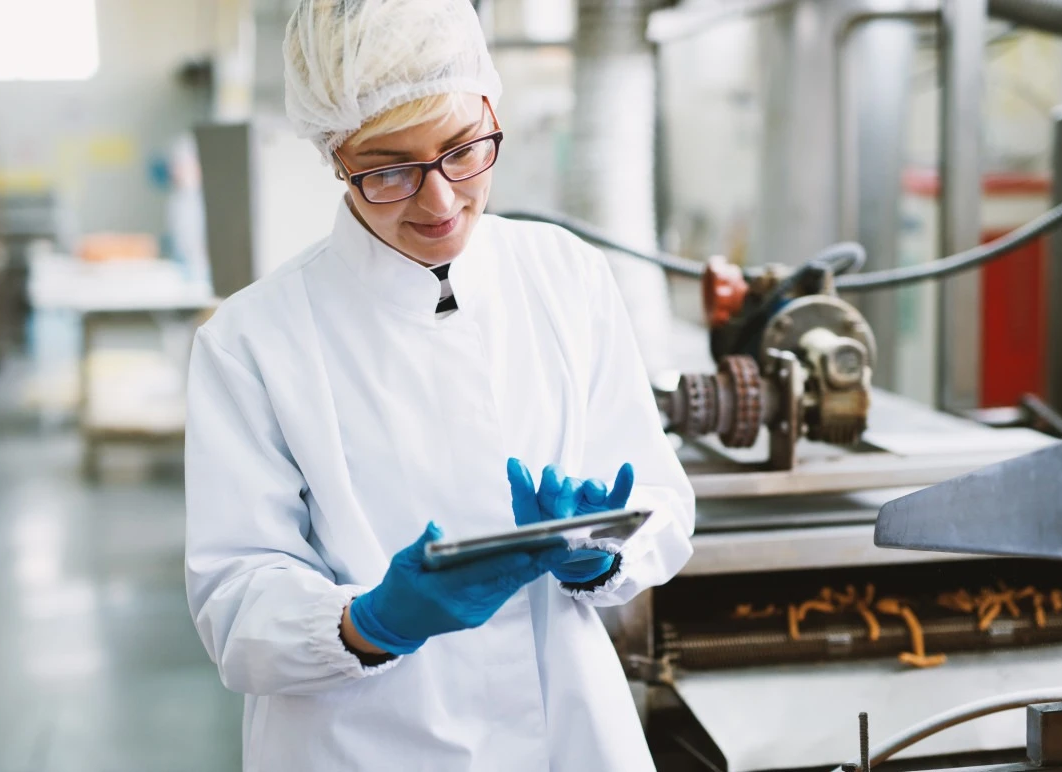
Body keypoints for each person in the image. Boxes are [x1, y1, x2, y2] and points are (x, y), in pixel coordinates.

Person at [183, 0, 695, 768]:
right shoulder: (252, 340)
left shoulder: (564, 274)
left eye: (463, 149)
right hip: (361, 742)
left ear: (492, 109)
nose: (442, 200)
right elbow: (233, 597)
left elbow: (660, 500)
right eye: (389, 170)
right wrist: (371, 622)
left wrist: (601, 550)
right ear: (336, 157)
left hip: (567, 734)